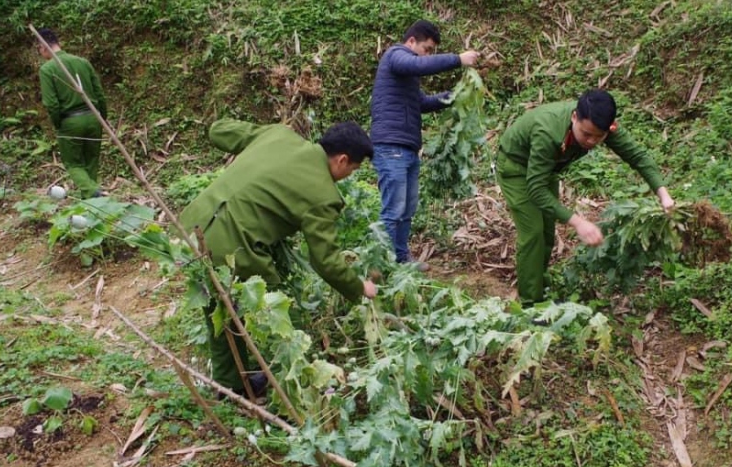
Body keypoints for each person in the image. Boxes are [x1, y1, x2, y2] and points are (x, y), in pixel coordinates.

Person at [180, 118, 378, 396]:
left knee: (220, 309)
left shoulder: (277, 135)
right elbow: (325, 261)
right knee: (279, 316)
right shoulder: (323, 196)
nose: (350, 175)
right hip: (232, 248)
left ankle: (228, 386)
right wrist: (359, 288)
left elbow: (217, 129)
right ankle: (296, 388)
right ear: (342, 160)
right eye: (354, 169)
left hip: (191, 229)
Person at [496, 89, 675, 306]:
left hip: (546, 169)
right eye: (586, 134)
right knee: (533, 233)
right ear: (574, 117)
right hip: (516, 168)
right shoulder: (548, 131)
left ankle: (539, 288)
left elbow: (637, 156)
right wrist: (578, 222)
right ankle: (529, 305)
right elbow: (535, 189)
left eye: (599, 137)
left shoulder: (602, 125)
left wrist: (663, 194)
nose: (591, 141)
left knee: (546, 232)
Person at [370, 19, 480, 269]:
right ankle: (383, 265)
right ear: (411, 42)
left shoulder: (406, 78)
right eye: (428, 49)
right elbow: (417, 64)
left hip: (407, 147)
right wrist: (458, 59)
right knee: (393, 209)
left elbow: (423, 103)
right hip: (390, 145)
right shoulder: (395, 55)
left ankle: (400, 258)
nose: (428, 55)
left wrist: (456, 95)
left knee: (407, 209)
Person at [37, 28, 108, 199]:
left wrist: (58, 124)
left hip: (70, 121)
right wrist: (102, 118)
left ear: (43, 46)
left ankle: (91, 192)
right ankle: (92, 201)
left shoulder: (47, 69)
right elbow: (99, 93)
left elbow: (51, 103)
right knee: (91, 160)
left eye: (38, 49)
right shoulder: (82, 62)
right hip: (93, 117)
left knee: (73, 163)